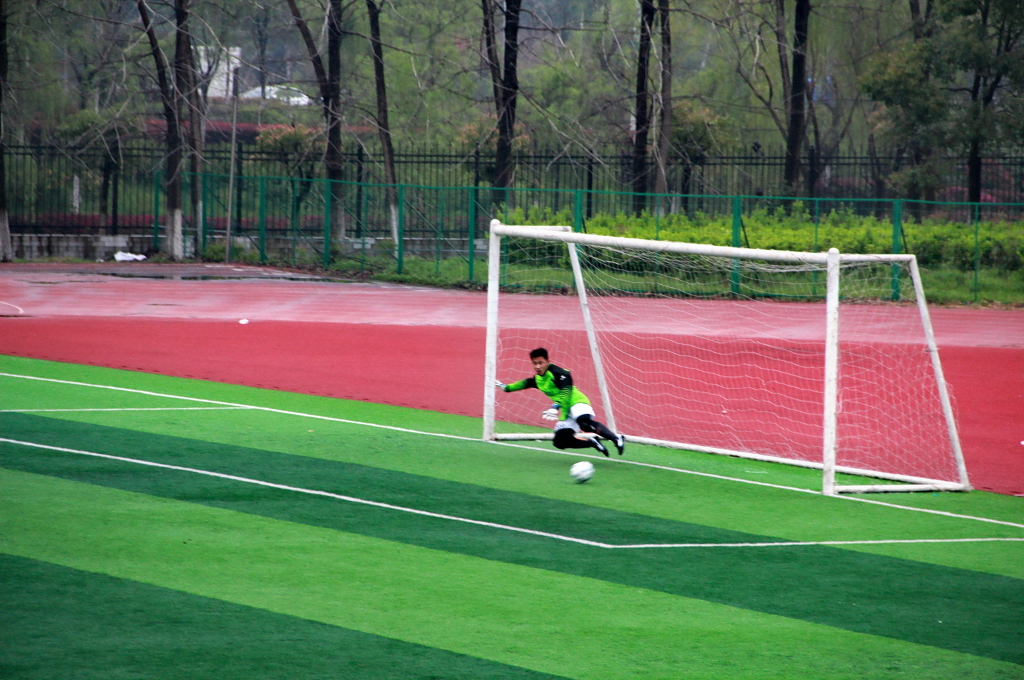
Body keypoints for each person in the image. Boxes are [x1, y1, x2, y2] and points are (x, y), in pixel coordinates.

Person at [496, 347, 625, 457]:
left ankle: (616, 438)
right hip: (565, 409)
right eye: (534, 363)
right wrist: (505, 387)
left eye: (540, 362)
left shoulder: (560, 373)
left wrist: (555, 406)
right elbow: (524, 383)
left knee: (584, 423)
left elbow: (566, 391)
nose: (538, 366)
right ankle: (593, 442)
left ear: (547, 361)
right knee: (560, 441)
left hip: (576, 401)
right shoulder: (538, 379)